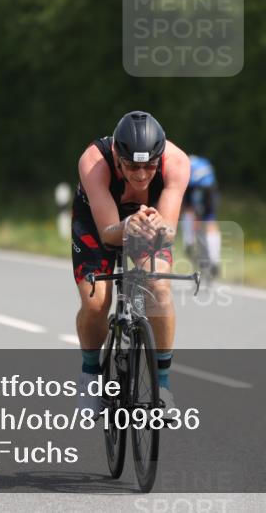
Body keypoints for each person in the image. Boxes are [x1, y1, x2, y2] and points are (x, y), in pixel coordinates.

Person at [71, 111, 190, 413]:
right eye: (132, 166)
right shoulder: (94, 162)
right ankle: (90, 375)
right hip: (100, 222)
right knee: (97, 302)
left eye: (149, 166)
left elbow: (167, 233)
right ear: (116, 155)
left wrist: (157, 230)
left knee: (159, 287)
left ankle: (162, 386)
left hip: (147, 222)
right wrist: (126, 227)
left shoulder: (176, 163)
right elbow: (109, 235)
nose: (141, 174)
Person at [180, 154, 221, 278]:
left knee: (188, 211)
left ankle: (189, 241)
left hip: (194, 187)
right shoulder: (200, 162)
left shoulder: (182, 162)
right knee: (209, 220)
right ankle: (214, 258)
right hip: (209, 188)